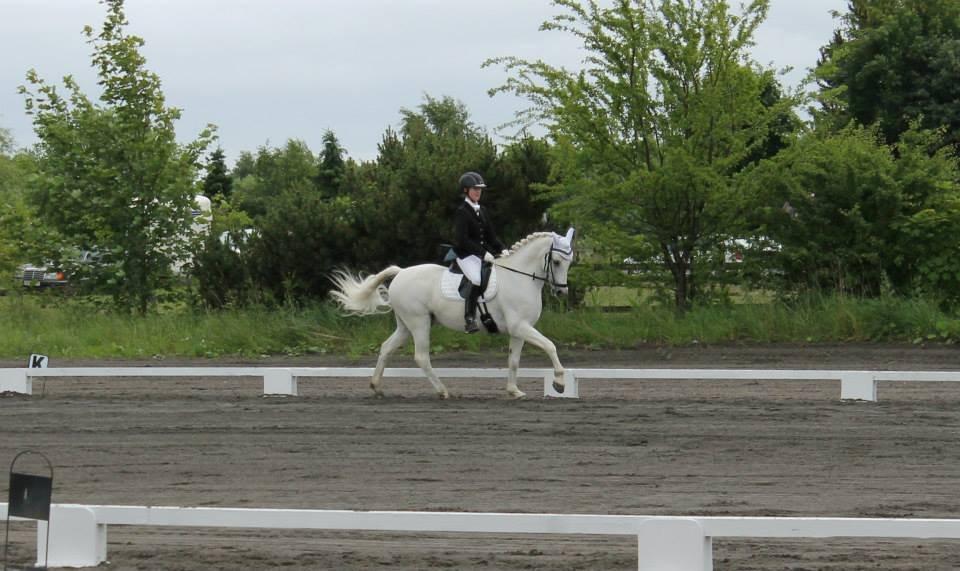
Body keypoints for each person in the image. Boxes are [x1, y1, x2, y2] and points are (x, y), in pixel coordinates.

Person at [453, 171, 508, 333]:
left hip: (480, 255)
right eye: (474, 189)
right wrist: (483, 253)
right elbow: (462, 239)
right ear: (465, 190)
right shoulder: (462, 211)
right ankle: (469, 318)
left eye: (480, 189)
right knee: (476, 278)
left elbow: (491, 235)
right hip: (465, 255)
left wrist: (502, 249)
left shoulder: (482, 210)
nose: (478, 192)